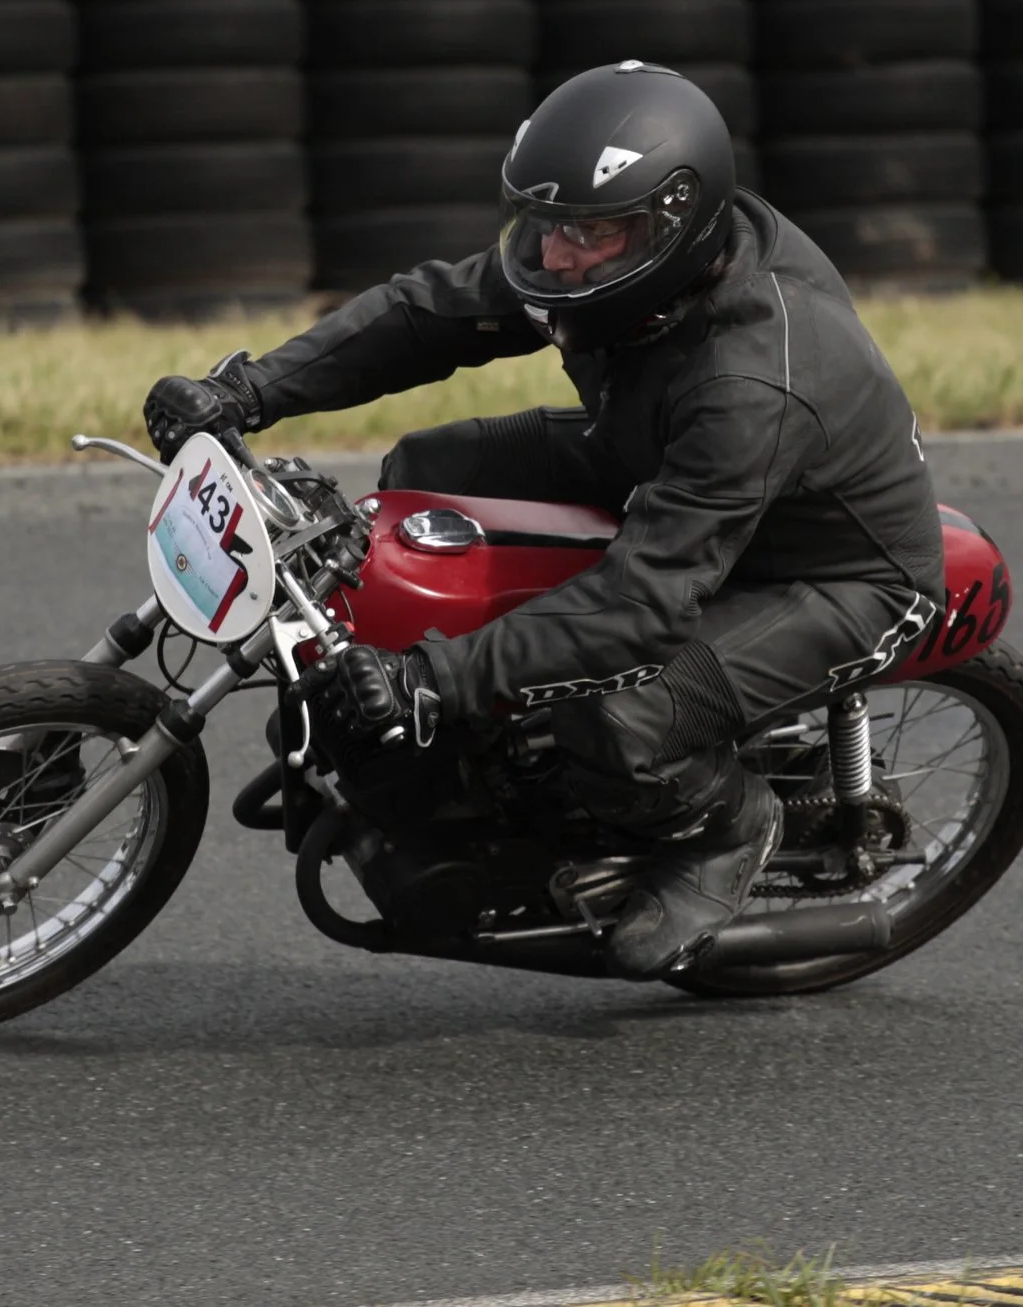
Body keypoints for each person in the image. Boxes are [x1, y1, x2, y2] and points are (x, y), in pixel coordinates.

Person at [143, 60, 946, 979]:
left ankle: (726, 825)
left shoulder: (749, 384)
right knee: (429, 471)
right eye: (547, 223)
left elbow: (638, 605)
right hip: (660, 454)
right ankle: (467, 759)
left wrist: (433, 676)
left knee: (618, 718)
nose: (557, 255)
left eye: (590, 232)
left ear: (671, 227)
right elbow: (423, 315)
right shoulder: (626, 268)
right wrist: (246, 392)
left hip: (831, 573)